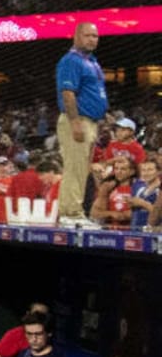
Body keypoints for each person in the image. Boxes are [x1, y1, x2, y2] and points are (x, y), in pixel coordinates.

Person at [56, 21, 107, 221]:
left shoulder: (92, 61)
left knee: (82, 170)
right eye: (88, 35)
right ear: (76, 37)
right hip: (77, 121)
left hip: (91, 122)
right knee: (75, 168)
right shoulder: (71, 60)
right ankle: (70, 214)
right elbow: (68, 93)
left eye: (95, 36)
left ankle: (75, 212)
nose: (92, 40)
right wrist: (75, 122)